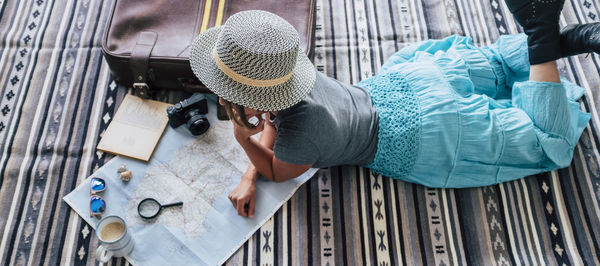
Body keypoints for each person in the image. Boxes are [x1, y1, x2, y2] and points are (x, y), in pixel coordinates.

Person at [188, 3, 596, 218]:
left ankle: (541, 36)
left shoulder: (301, 134)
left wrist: (244, 137)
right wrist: (249, 161)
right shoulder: (298, 77)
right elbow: (276, 123)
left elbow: (277, 170)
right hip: (408, 82)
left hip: (424, 133)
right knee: (493, 66)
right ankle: (572, 37)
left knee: (546, 142)